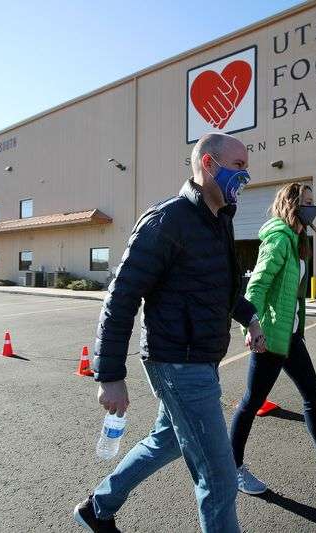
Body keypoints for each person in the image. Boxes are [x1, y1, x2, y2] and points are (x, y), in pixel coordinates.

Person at [73, 133, 267, 533]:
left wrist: (248, 317)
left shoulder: (219, 221)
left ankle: (98, 507)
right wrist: (109, 375)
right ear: (208, 165)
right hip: (178, 363)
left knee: (166, 441)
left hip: (201, 358)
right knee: (220, 479)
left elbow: (221, 287)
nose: (246, 174)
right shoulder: (167, 220)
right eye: (239, 165)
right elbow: (121, 297)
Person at [229, 183, 316, 495]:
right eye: (307, 202)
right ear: (292, 203)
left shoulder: (296, 239)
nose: (312, 207)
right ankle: (232, 468)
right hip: (269, 337)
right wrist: (250, 329)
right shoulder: (279, 239)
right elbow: (256, 285)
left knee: (313, 396)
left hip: (290, 336)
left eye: (313, 202)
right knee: (251, 402)